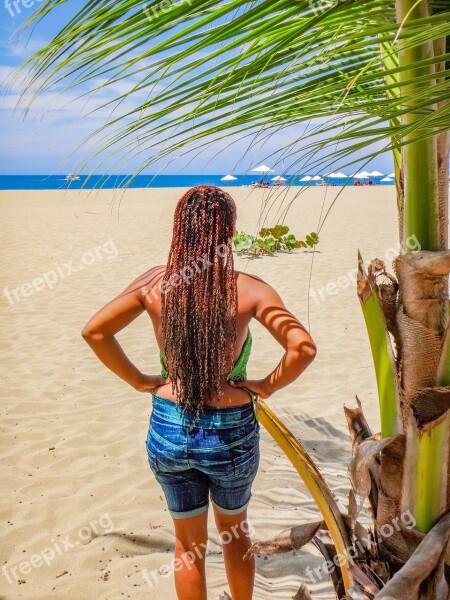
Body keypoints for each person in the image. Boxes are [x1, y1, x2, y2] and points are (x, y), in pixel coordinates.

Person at [81, 186, 317, 600]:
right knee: (235, 535)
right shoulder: (250, 289)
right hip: (231, 431)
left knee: (188, 547)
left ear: (180, 229)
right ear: (228, 231)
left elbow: (95, 331)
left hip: (170, 424)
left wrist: (140, 380)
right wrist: (265, 386)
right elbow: (303, 348)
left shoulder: (155, 282)